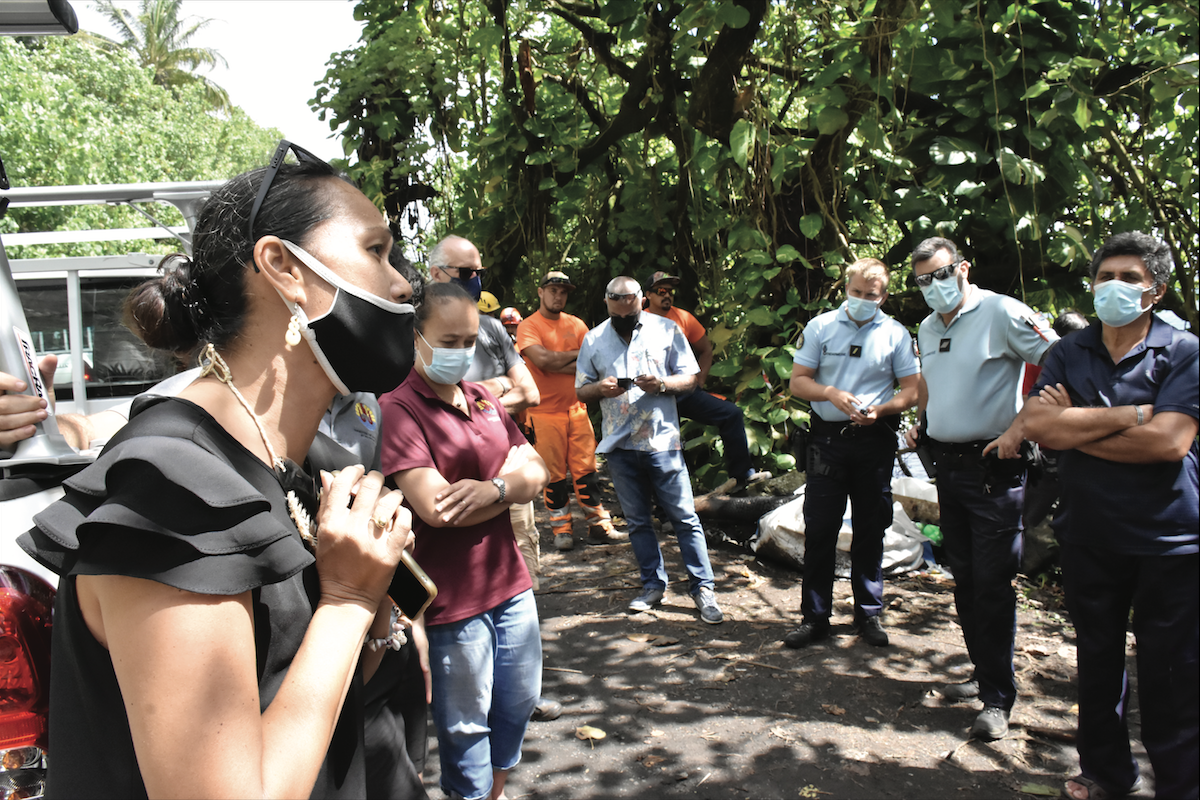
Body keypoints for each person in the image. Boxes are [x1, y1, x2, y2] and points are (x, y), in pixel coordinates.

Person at [16, 143, 417, 798]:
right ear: (284, 268)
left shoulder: (310, 465)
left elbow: (316, 700)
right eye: (376, 251)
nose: (402, 283)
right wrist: (349, 602)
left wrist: (379, 624)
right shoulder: (170, 495)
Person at [1020, 232, 1198, 800]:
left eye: (1129, 278)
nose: (1113, 286)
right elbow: (1040, 426)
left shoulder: (1184, 351)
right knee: (1097, 660)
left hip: (1168, 536)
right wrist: (1133, 414)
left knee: (1172, 672)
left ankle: (1180, 784)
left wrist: (1079, 427)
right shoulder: (1069, 351)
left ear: (1156, 290)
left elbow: (1169, 444)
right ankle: (1105, 774)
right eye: (1104, 276)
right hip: (1088, 531)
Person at [380, 282, 550, 800]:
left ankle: (494, 791)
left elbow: (538, 470)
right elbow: (438, 508)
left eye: (470, 340)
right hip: (451, 602)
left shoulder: (482, 398)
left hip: (510, 584)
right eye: (448, 340)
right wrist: (510, 485)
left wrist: (492, 487)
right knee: (464, 727)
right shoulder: (399, 408)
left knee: (518, 701)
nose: (461, 351)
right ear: (417, 338)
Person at [902, 236, 1058, 741]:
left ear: (963, 268)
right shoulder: (927, 326)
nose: (933, 286)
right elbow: (933, 381)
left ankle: (998, 698)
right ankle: (981, 675)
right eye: (923, 280)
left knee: (993, 583)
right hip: (946, 467)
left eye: (941, 275)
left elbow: (1060, 364)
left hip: (995, 465)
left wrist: (1021, 427)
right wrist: (922, 421)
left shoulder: (1003, 313)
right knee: (965, 577)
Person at [425, 235, 561, 723]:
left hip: (506, 463)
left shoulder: (491, 330)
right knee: (451, 579)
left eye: (478, 271)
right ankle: (464, 696)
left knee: (520, 567)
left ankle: (520, 689)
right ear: (436, 274)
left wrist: (469, 400)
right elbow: (411, 398)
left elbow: (529, 392)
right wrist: (489, 393)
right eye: (464, 273)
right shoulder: (414, 332)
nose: (475, 281)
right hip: (446, 474)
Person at [784, 258, 919, 649]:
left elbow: (912, 388)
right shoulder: (821, 327)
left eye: (871, 295)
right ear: (846, 288)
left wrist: (885, 410)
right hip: (827, 440)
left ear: (884, 296)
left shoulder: (894, 333)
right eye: (856, 292)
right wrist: (829, 392)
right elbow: (798, 382)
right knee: (821, 528)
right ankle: (815, 617)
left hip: (874, 439)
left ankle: (869, 614)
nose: (862, 300)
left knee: (870, 529)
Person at [576, 276, 724, 625]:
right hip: (619, 444)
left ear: (642, 301)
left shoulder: (666, 330)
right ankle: (652, 585)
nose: (624, 318)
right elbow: (581, 391)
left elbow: (690, 379)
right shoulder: (594, 338)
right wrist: (600, 388)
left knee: (685, 518)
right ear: (607, 303)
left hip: (662, 442)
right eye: (617, 312)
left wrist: (661, 383)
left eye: (631, 311)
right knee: (638, 522)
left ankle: (703, 588)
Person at [517, 270, 620, 551]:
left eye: (563, 292)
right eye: (553, 290)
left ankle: (599, 525)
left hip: (577, 410)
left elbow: (594, 364)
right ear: (540, 292)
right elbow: (542, 360)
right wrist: (576, 356)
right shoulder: (529, 326)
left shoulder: (576, 324)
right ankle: (562, 529)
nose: (558, 296)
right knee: (554, 475)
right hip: (543, 413)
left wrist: (557, 361)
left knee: (586, 470)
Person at [643, 270, 770, 489]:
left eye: (670, 292)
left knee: (731, 414)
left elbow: (706, 350)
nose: (667, 295)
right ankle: (660, 506)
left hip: (683, 390)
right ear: (648, 295)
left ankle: (742, 475)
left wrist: (699, 381)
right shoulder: (638, 320)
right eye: (661, 291)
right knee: (661, 447)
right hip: (652, 396)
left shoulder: (683, 318)